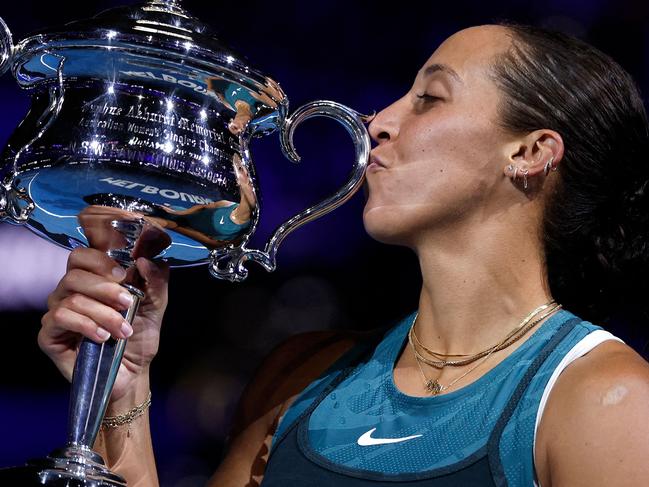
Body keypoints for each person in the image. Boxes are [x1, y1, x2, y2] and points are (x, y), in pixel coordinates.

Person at [38, 22, 649, 486]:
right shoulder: (297, 376)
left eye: (430, 97)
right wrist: (125, 392)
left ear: (529, 152)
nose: (378, 121)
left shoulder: (604, 399)